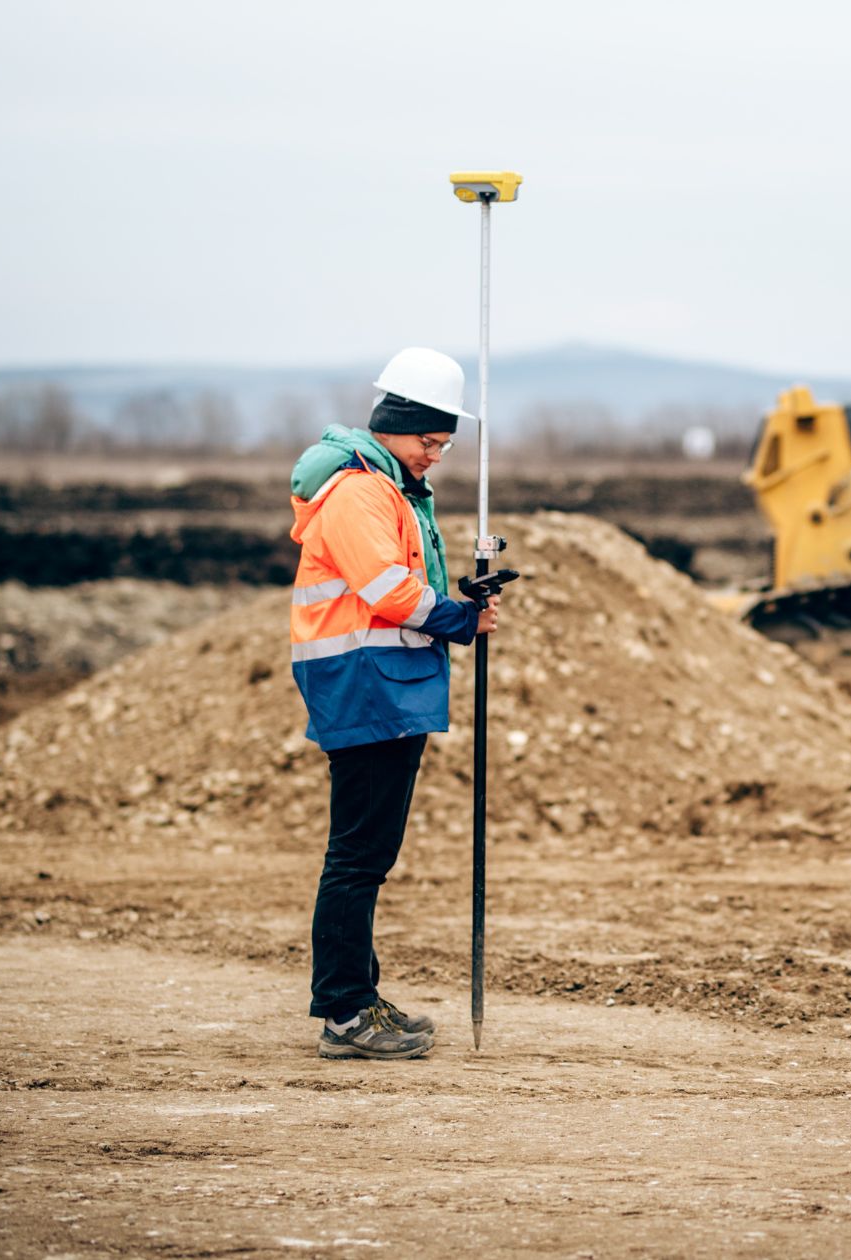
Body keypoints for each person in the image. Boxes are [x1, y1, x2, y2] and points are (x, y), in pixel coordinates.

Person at [287, 347, 500, 1061]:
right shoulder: (359, 493)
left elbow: (405, 582)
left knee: (367, 854)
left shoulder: (390, 489)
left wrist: (454, 603)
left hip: (383, 683)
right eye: (430, 441)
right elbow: (388, 591)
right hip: (363, 684)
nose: (437, 455)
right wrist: (458, 620)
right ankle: (345, 1012)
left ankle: (359, 996)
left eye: (444, 443)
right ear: (397, 425)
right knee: (357, 856)